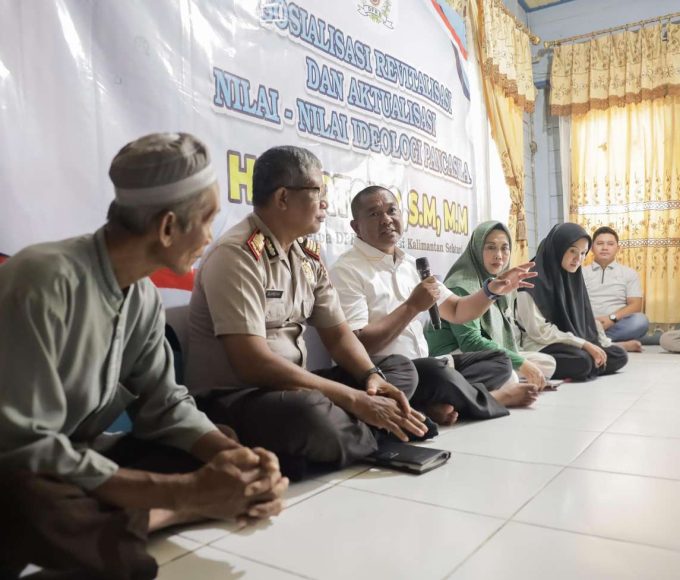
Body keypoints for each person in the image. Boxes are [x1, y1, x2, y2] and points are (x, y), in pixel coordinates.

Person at [0, 133, 288, 580]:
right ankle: (166, 514)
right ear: (168, 227)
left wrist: (236, 460)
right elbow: (24, 446)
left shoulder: (142, 298)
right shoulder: (43, 279)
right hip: (20, 468)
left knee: (211, 446)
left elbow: (165, 405)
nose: (210, 237)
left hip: (76, 458)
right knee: (40, 502)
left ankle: (146, 515)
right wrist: (187, 493)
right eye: (208, 220)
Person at [185, 147, 427, 481]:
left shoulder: (307, 255)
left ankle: (342, 439)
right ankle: (383, 432)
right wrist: (354, 400)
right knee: (310, 414)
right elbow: (251, 363)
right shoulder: (238, 255)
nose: (326, 203)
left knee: (398, 370)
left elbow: (339, 335)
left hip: (295, 387)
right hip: (238, 397)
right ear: (283, 197)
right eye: (318, 192)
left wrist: (371, 377)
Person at [329, 186, 540, 426]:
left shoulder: (410, 265)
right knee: (436, 373)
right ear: (356, 227)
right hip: (388, 373)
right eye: (374, 214)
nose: (386, 219)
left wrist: (492, 290)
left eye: (391, 211)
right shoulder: (347, 270)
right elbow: (358, 344)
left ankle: (430, 404)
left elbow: (457, 310)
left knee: (500, 362)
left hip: (425, 366)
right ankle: (493, 398)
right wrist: (411, 307)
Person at [425, 220, 556, 388]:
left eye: (504, 248)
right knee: (510, 375)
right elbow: (470, 342)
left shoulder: (499, 281)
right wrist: (521, 363)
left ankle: (503, 381)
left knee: (547, 363)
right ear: (477, 249)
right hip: (451, 355)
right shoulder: (462, 285)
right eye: (491, 247)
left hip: (482, 354)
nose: (498, 255)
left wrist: (518, 361)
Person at [515, 222, 628, 381]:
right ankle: (587, 365)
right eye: (572, 251)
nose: (578, 259)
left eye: (583, 253)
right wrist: (584, 344)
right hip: (541, 345)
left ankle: (589, 364)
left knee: (619, 355)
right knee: (583, 361)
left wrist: (601, 344)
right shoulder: (530, 282)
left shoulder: (572, 276)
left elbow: (586, 319)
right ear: (558, 248)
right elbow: (540, 332)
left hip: (572, 343)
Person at [582, 226, 648, 352]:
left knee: (640, 321)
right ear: (591, 248)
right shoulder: (580, 273)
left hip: (615, 324)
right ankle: (613, 345)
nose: (605, 247)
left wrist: (611, 319)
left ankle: (594, 343)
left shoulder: (629, 273)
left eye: (610, 244)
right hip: (588, 324)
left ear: (618, 248)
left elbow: (635, 305)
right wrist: (591, 322)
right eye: (600, 243)